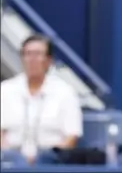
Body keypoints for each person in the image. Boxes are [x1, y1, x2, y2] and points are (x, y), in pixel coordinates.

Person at [1, 34, 83, 165]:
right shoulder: (5, 90)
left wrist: (43, 160)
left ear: (49, 60)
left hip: (51, 163)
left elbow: (72, 137)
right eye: (28, 54)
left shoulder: (65, 92)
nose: (32, 59)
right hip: (10, 163)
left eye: (38, 54)